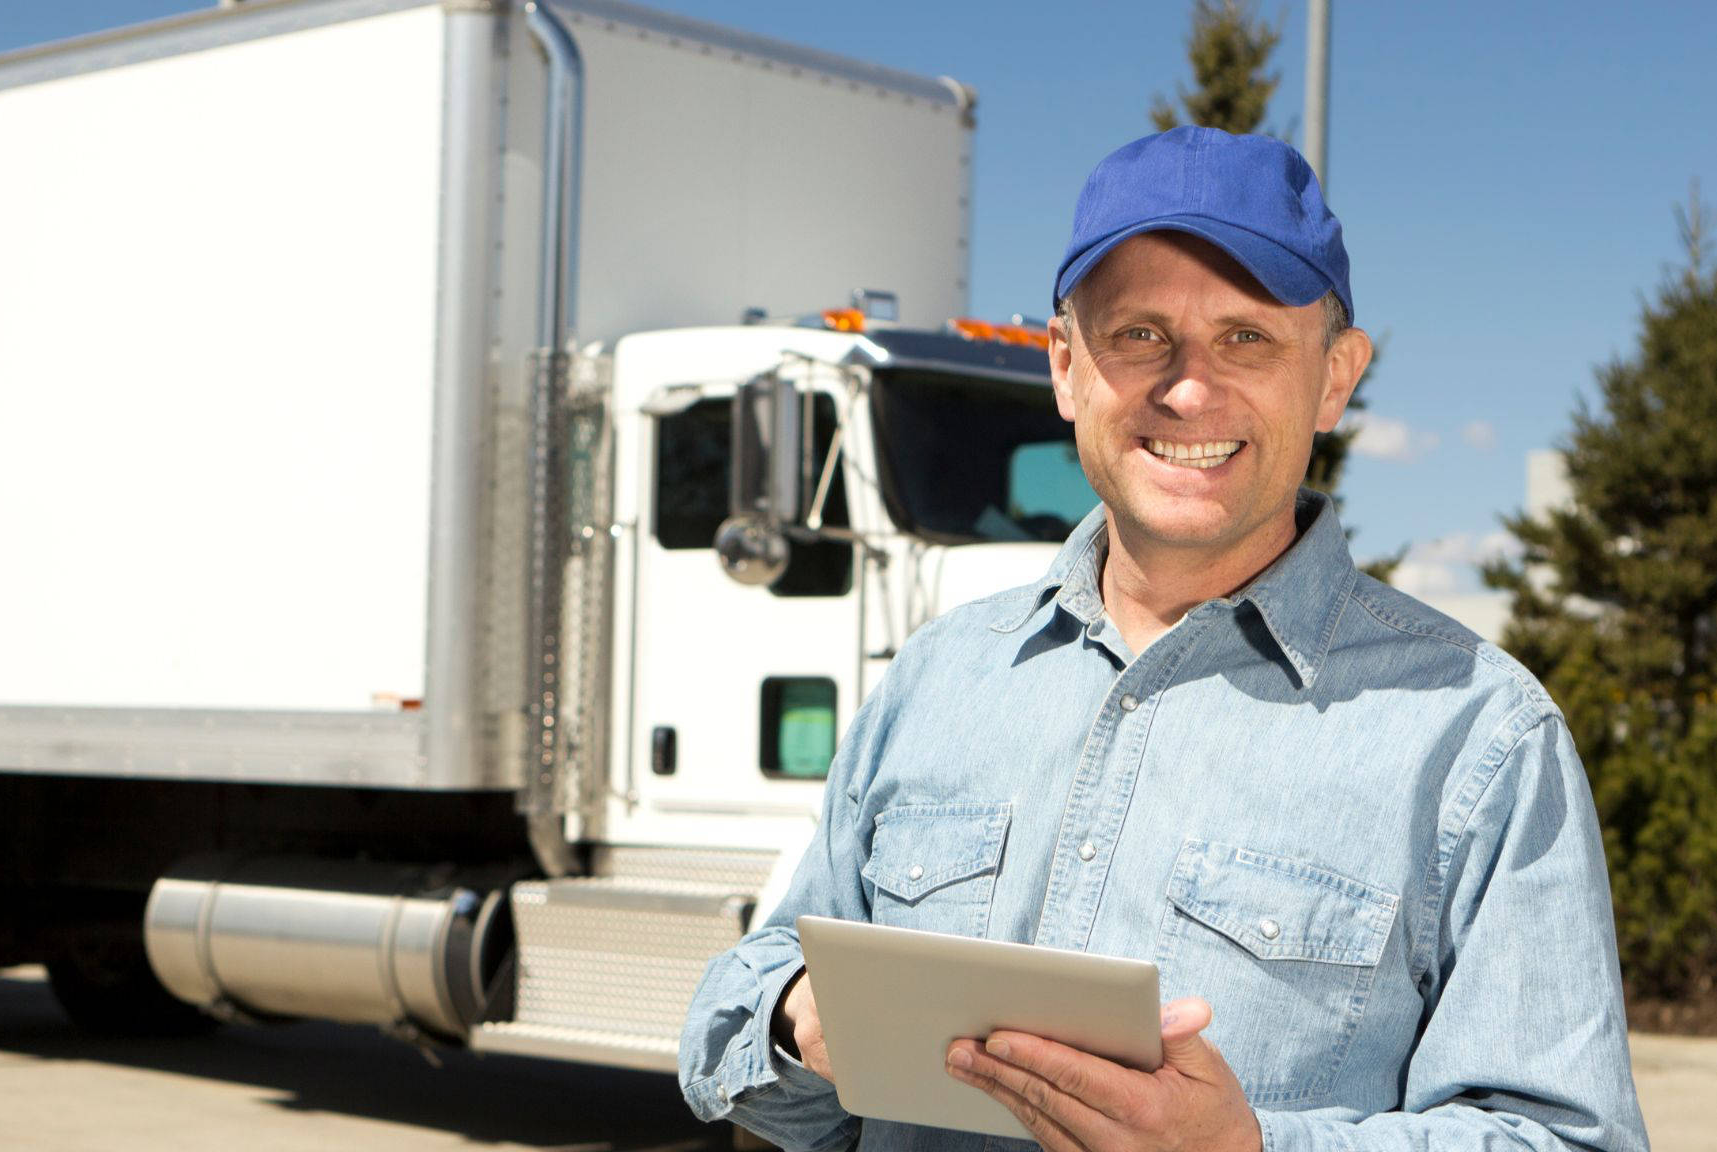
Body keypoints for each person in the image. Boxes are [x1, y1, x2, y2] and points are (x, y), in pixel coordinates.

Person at [678, 125, 1648, 1152]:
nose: (1189, 388)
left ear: (1334, 378)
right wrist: (795, 1017)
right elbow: (750, 1033)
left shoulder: (1477, 736)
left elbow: (1568, 1141)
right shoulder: (939, 677)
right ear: (1065, 367)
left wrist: (1249, 1150)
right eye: (1140, 334)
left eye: (1247, 338)